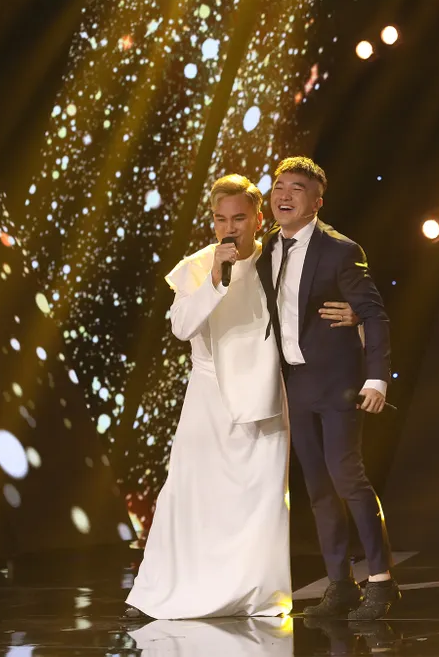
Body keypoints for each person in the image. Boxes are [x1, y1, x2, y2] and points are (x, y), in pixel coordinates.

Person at [124, 175, 358, 620]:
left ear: (257, 219)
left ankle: (252, 593)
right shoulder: (198, 265)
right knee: (190, 494)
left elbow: (309, 301)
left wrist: (355, 313)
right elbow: (182, 327)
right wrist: (215, 279)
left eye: (238, 218)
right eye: (220, 219)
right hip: (208, 397)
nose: (229, 228)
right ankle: (163, 589)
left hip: (264, 392)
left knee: (259, 500)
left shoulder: (276, 259)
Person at [256, 156, 400, 620]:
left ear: (317, 202)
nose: (284, 195)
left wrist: (376, 378)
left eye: (296, 188)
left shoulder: (339, 249)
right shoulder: (266, 248)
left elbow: (374, 313)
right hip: (296, 383)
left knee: (348, 478)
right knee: (318, 488)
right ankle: (341, 584)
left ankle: (382, 582)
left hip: (338, 383)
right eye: (279, 186)